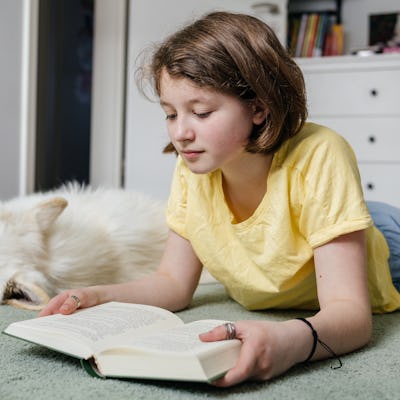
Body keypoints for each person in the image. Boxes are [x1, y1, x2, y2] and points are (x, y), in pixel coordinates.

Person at [39, 11, 400, 387]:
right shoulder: (193, 168)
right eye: (170, 114)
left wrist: (288, 342)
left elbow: (351, 316)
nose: (180, 133)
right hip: (313, 234)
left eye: (201, 112)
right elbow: (172, 283)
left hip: (388, 243)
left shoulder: (322, 154)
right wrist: (96, 295)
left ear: (259, 107)